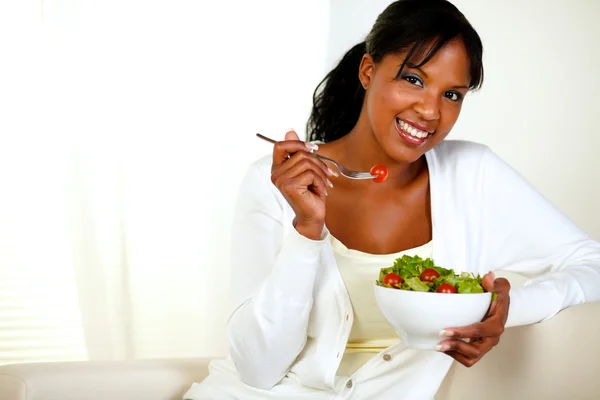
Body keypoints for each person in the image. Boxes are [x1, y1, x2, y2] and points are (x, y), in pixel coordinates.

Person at [184, 0, 600, 399]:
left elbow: (592, 265)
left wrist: (500, 310)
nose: (431, 111)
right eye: (413, 80)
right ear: (368, 70)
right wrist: (307, 232)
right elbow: (258, 368)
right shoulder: (274, 183)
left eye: (452, 94)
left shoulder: (473, 177)